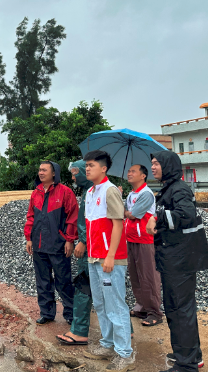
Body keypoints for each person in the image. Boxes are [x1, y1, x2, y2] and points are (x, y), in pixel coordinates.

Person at [146, 151, 208, 372]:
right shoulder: (169, 188)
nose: (153, 167)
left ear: (168, 166)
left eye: (156, 164)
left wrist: (158, 218)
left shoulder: (179, 189)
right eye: (152, 163)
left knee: (180, 309)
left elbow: (186, 215)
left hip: (180, 259)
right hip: (173, 256)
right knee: (177, 308)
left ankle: (187, 364)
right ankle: (190, 353)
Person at [81, 150, 135, 372]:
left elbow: (118, 225)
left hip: (109, 258)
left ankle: (125, 354)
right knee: (101, 304)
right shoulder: (91, 191)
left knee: (115, 304)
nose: (87, 168)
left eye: (91, 165)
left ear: (103, 168)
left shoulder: (110, 190)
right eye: (86, 165)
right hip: (94, 257)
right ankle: (108, 343)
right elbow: (92, 224)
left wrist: (111, 255)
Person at [24, 161, 79, 325]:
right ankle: (47, 313)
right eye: (39, 170)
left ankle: (70, 313)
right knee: (42, 281)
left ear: (54, 173)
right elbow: (30, 217)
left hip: (58, 245)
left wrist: (69, 239)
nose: (40, 173)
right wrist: (28, 238)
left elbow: (72, 218)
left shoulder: (65, 193)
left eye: (44, 170)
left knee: (63, 281)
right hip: (39, 245)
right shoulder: (36, 193)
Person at [56, 160, 93, 345]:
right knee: (103, 293)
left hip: (90, 250)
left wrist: (83, 242)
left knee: (83, 290)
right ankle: (127, 331)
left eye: (75, 173)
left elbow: (94, 221)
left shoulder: (95, 192)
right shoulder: (88, 192)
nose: (72, 177)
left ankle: (79, 331)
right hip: (91, 248)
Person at [124, 164, 163, 327]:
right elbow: (127, 212)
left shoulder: (146, 193)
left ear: (143, 176)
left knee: (148, 276)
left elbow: (133, 214)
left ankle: (154, 312)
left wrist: (125, 212)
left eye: (133, 171)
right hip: (131, 238)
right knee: (135, 276)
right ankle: (141, 307)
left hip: (144, 240)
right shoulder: (131, 194)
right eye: (129, 171)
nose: (129, 174)